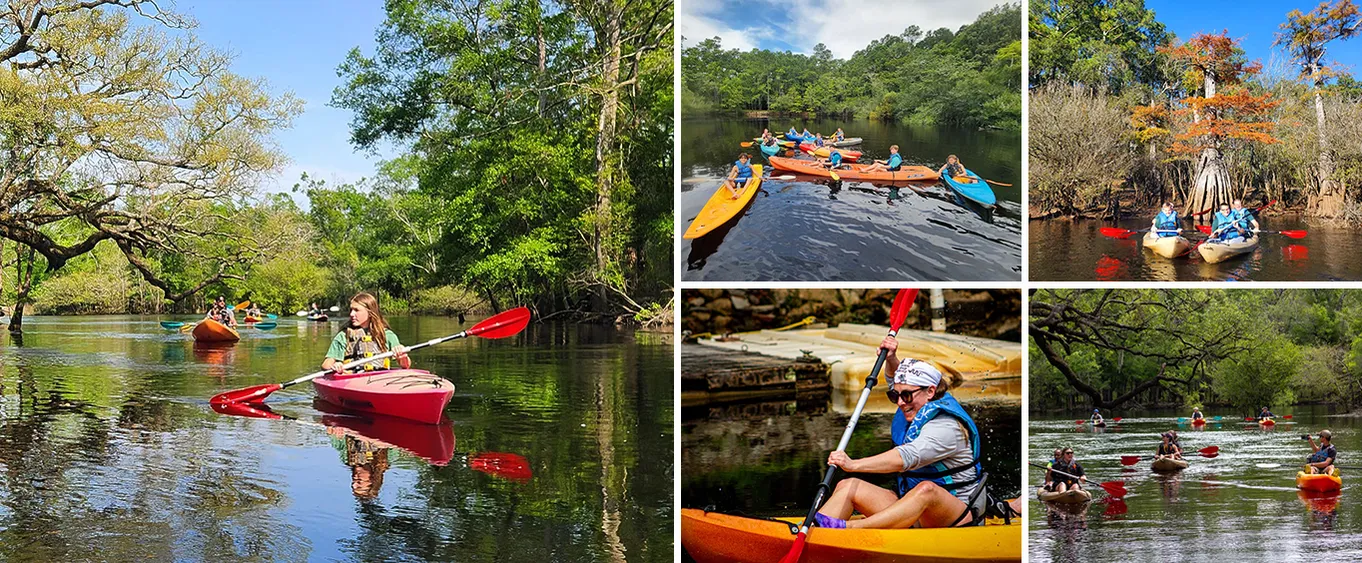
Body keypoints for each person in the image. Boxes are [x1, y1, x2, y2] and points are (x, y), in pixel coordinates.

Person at [811, 354, 1020, 530]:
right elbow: (896, 378)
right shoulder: (914, 406)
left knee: (926, 490)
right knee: (849, 486)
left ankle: (851, 529)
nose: (900, 402)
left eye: (906, 395)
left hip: (957, 515)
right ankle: (813, 534)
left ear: (930, 391)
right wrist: (891, 357)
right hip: (914, 509)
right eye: (895, 396)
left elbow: (906, 457)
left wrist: (854, 464)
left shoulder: (947, 427)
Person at [322, 292, 411, 374]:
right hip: (352, 380)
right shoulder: (343, 336)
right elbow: (326, 364)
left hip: (379, 380)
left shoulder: (387, 335)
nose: (352, 314)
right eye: (351, 310)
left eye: (356, 310)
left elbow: (405, 365)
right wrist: (335, 366)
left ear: (370, 313)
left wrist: (402, 356)